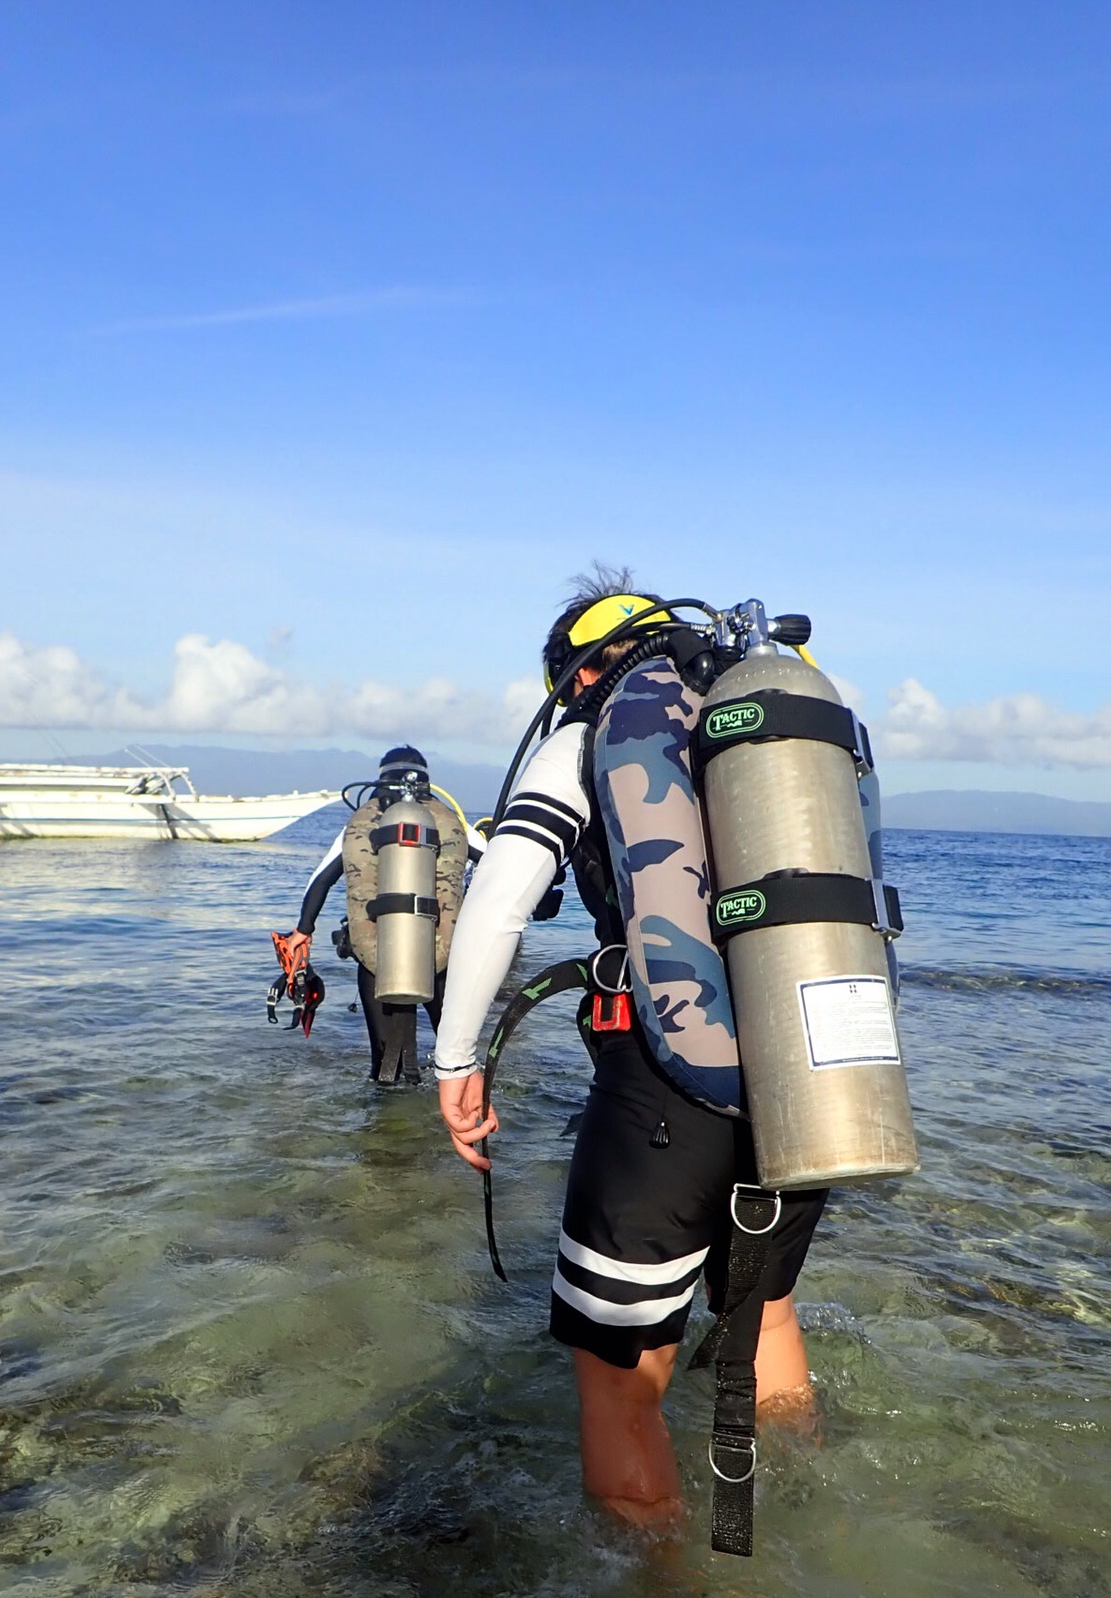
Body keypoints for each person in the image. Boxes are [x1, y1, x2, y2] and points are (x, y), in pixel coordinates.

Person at [434, 572, 826, 1534]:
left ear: (578, 674)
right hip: (808, 1074)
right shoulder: (768, 731)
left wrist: (455, 1062)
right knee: (763, 1317)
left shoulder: (590, 738)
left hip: (668, 1095)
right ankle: (814, 1522)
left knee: (617, 1380)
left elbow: (499, 900)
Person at [276, 745, 485, 1084]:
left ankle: (383, 1128)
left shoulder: (360, 824)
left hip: (378, 960)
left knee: (383, 1064)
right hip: (443, 959)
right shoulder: (451, 822)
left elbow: (321, 880)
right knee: (456, 1058)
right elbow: (495, 862)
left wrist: (303, 929)